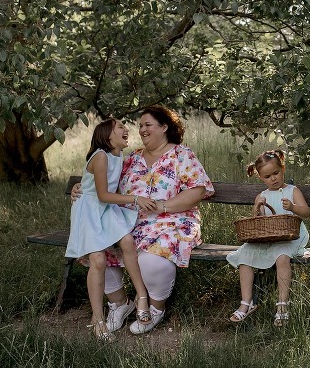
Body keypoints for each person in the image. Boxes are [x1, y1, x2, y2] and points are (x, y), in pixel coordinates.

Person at [71, 105, 214, 335]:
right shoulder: (132, 158)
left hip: (172, 221)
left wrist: (163, 206)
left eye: (148, 125)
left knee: (151, 259)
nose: (142, 130)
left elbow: (198, 190)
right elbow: (105, 184)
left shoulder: (181, 155)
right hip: (128, 222)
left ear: (164, 127)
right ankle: (120, 304)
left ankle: (156, 307)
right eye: (140, 126)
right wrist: (81, 186)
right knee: (98, 250)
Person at [65, 118, 158, 341]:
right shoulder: (100, 156)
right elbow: (102, 194)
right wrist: (136, 199)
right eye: (120, 128)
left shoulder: (118, 155)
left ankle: (141, 296)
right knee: (97, 260)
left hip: (105, 208)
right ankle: (98, 320)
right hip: (90, 209)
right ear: (108, 135)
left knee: (127, 242)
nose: (127, 130)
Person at [226, 149, 310, 326]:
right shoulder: (262, 196)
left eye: (276, 173)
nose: (273, 179)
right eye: (267, 176)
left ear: (283, 169)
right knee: (245, 255)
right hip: (267, 238)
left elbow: (306, 212)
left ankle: (282, 305)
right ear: (260, 178)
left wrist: (293, 208)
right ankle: (246, 303)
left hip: (290, 238)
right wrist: (257, 206)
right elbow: (257, 222)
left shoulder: (292, 191)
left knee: (282, 257)